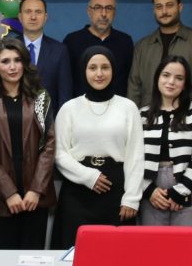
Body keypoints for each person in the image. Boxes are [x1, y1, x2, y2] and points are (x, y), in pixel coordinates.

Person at [52, 46, 144, 248]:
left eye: (105, 67)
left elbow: (135, 157)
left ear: (114, 70)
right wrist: (88, 176)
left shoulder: (128, 108)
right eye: (92, 67)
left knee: (117, 258)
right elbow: (59, 153)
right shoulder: (69, 108)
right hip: (77, 190)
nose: (99, 73)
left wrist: (131, 198)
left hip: (117, 191)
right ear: (84, 71)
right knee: (74, 256)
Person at [0, 39, 57, 251]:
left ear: (25, 64)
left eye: (17, 60)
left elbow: (49, 144)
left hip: (34, 198)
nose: (12, 67)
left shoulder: (41, 97)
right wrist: (9, 192)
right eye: (5, 61)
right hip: (1, 199)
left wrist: (36, 190)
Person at [138, 56, 192, 228]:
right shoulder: (142, 115)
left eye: (179, 78)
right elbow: (133, 158)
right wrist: (149, 190)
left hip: (190, 185)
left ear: (185, 83)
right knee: (155, 250)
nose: (171, 82)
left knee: (189, 250)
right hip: (152, 190)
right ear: (157, 78)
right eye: (166, 75)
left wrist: (181, 191)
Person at [128, 0, 192, 106]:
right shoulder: (142, 46)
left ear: (180, 7)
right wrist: (136, 117)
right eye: (159, 7)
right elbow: (134, 87)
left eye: (169, 5)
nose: (164, 12)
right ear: (154, 10)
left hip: (187, 118)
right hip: (149, 119)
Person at [63, 0, 133, 99]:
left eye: (109, 8)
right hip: (81, 109)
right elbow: (66, 81)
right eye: (98, 7)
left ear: (114, 13)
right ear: (89, 11)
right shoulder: (72, 41)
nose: (104, 14)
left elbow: (131, 80)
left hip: (117, 109)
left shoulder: (125, 41)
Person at [16, 0, 71, 112]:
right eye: (28, 12)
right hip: (12, 119)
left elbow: (64, 94)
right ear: (20, 17)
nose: (33, 17)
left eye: (38, 12)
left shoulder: (59, 50)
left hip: (48, 121)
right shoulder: (8, 48)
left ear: (45, 17)